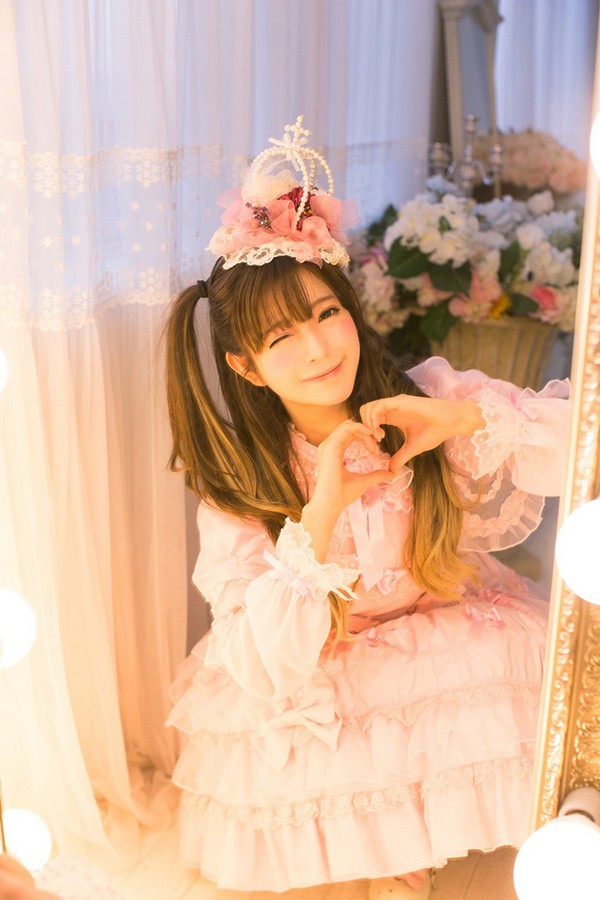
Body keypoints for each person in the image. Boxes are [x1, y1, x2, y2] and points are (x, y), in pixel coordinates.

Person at [164, 116, 569, 899]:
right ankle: (389, 856)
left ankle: (429, 846)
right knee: (303, 746)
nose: (320, 349)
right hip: (331, 661)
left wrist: (459, 418)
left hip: (448, 628)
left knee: (500, 678)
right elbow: (263, 659)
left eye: (327, 314)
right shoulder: (243, 479)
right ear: (246, 367)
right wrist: (321, 507)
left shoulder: (424, 398)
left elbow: (580, 440)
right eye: (282, 338)